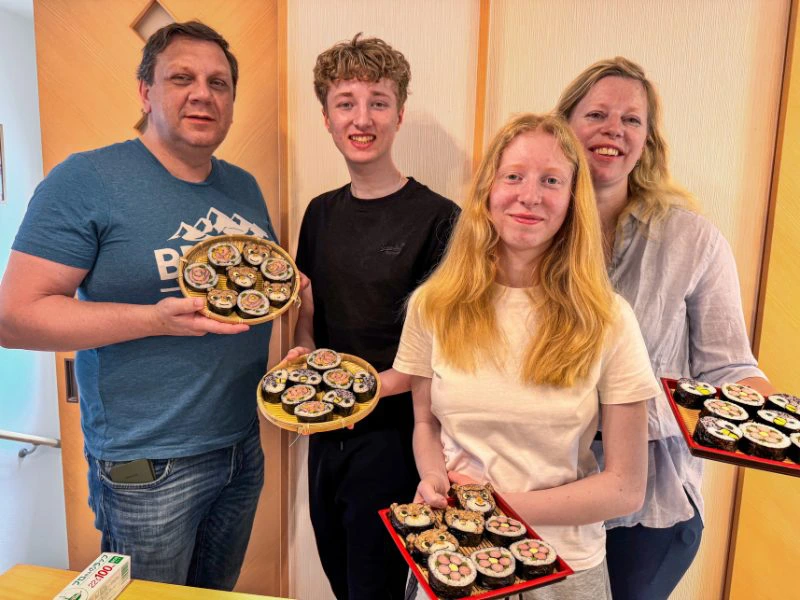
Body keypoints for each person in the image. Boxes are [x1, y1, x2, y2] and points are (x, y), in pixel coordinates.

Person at [0, 21, 278, 590]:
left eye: (219, 83)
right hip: (147, 465)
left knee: (212, 593)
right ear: (145, 90)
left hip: (240, 446)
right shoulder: (86, 178)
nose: (203, 93)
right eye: (182, 77)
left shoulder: (243, 187)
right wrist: (153, 319)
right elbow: (14, 317)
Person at [395, 113, 660, 600]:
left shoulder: (609, 319)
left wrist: (493, 506)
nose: (530, 196)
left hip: (565, 569)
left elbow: (625, 487)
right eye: (513, 175)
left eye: (551, 181)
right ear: (487, 192)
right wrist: (433, 478)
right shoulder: (432, 306)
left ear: (572, 201)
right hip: (453, 557)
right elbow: (426, 425)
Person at [555, 57, 776, 600]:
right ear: (564, 125)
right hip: (548, 488)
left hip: (650, 509)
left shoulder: (692, 240)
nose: (613, 130)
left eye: (631, 120)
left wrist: (773, 421)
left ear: (648, 139)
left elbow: (731, 367)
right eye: (597, 114)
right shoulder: (530, 227)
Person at [287, 34, 460, 600]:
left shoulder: (440, 219)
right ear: (327, 117)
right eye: (346, 102)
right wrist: (303, 358)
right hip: (324, 438)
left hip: (397, 441)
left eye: (378, 101)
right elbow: (312, 325)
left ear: (399, 113)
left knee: (378, 590)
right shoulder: (319, 212)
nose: (362, 118)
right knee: (340, 578)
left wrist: (347, 396)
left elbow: (436, 357)